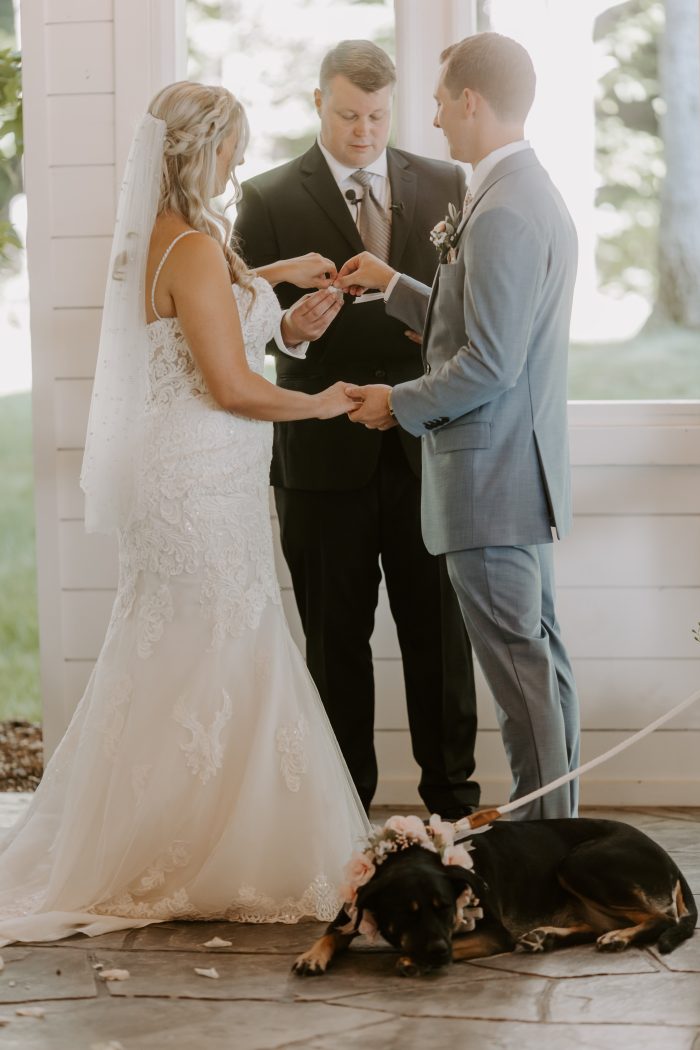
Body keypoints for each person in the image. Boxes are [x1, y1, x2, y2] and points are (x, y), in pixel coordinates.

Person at [0, 82, 371, 946]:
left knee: (188, 653)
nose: (238, 162)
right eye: (232, 147)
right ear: (200, 151)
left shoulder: (168, 242)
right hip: (201, 484)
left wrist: (276, 288)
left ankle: (185, 839)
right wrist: (327, 403)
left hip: (199, 479)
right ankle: (203, 852)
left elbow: (203, 316)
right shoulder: (198, 249)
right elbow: (236, 387)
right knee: (220, 645)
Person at [335, 32, 581, 820]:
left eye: (440, 100)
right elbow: (479, 320)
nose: (434, 118)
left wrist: (395, 403)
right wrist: (399, 285)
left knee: (521, 680)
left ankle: (547, 849)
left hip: (489, 480)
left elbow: (489, 363)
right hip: (518, 474)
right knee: (540, 668)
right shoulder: (522, 190)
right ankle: (560, 834)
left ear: (471, 100)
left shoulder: (504, 209)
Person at [235, 40, 480, 819]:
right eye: (348, 114)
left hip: (425, 445)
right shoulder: (269, 196)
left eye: (377, 115)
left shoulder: (446, 183)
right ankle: (342, 825)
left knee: (440, 644)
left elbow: (471, 305)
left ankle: (451, 814)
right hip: (320, 457)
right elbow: (242, 325)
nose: (364, 130)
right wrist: (294, 332)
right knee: (335, 649)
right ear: (318, 105)